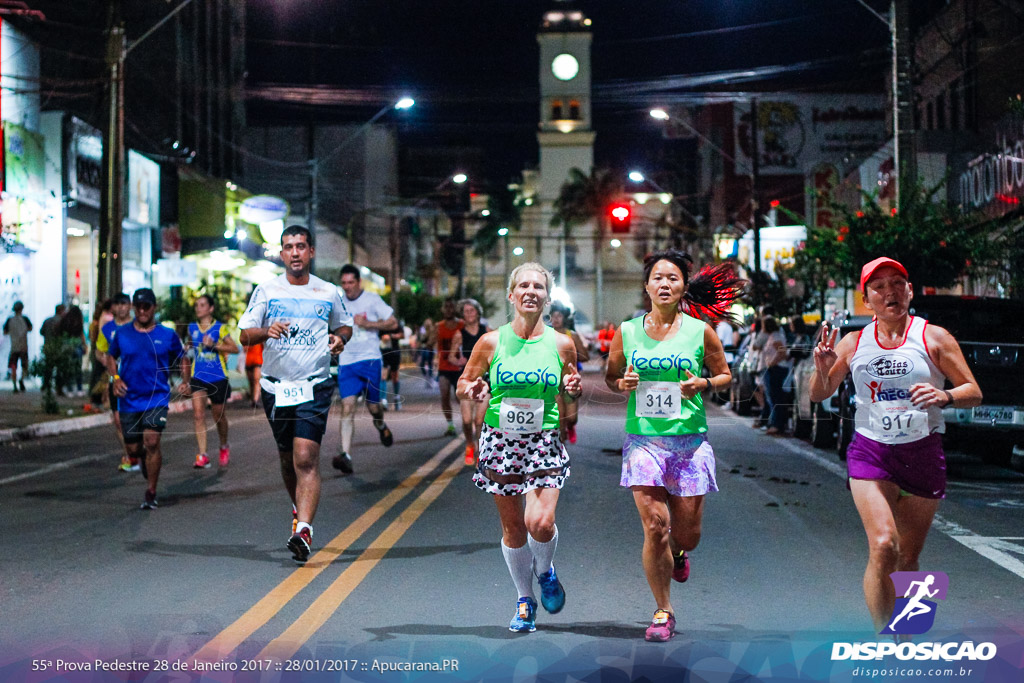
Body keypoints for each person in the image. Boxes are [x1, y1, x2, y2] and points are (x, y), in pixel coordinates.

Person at [809, 257, 981, 635]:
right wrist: (821, 368)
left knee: (908, 557)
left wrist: (944, 395)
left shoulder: (934, 337)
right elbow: (819, 394)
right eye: (879, 286)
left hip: (922, 450)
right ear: (867, 299)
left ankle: (909, 637)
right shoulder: (853, 341)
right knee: (884, 544)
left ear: (910, 291)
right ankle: (883, 637)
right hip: (871, 451)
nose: (889, 292)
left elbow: (974, 391)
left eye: (896, 284)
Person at [605, 250, 742, 642]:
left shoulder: (700, 331)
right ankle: (663, 610)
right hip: (643, 440)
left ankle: (680, 554)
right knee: (655, 527)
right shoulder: (627, 331)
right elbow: (614, 377)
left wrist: (703, 384)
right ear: (647, 285)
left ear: (684, 286)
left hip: (689, 442)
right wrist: (623, 385)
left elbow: (724, 374)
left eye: (674, 278)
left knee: (687, 535)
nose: (665, 284)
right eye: (658, 278)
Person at [457, 263, 582, 634]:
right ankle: (525, 600)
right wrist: (474, 389)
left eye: (538, 286)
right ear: (511, 295)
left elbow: (570, 385)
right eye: (523, 285)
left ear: (547, 296)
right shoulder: (491, 341)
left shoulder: (562, 343)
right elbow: (466, 381)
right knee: (514, 528)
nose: (531, 291)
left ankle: (545, 570)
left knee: (539, 523)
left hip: (543, 439)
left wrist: (573, 392)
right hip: (500, 440)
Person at [239, 226, 351, 563]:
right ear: (282, 253)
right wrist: (265, 331)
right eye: (288, 247)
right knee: (287, 457)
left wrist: (340, 338)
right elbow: (244, 334)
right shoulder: (267, 290)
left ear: (311, 252)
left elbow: (344, 324)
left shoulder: (327, 291)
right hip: (276, 386)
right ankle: (297, 507)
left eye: (301, 246)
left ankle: (303, 529)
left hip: (314, 384)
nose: (295, 253)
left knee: (305, 457)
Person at [104, 288, 189, 509]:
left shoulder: (167, 335)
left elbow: (183, 359)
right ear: (134, 307)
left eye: (146, 307)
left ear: (154, 308)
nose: (142, 311)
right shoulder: (122, 334)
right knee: (133, 450)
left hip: (156, 398)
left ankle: (151, 491)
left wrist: (186, 381)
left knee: (152, 441)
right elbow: (110, 356)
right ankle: (141, 456)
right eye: (138, 306)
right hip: (129, 399)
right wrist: (115, 378)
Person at [331, 264, 396, 475]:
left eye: (351, 282)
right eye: (344, 283)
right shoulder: (337, 301)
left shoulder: (372, 300)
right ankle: (346, 455)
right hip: (347, 361)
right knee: (347, 407)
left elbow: (392, 322)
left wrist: (369, 324)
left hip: (370, 361)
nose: (347, 287)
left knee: (373, 408)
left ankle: (381, 426)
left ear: (358, 282)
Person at [185, 294, 239, 469]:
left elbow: (234, 348)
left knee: (219, 416)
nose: (198, 308)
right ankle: (203, 455)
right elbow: (191, 349)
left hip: (218, 376)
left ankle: (224, 445)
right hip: (198, 375)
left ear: (211, 308)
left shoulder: (219, 328)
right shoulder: (192, 327)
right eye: (196, 305)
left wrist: (214, 346)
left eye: (202, 305)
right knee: (198, 415)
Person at [95, 293, 135, 471]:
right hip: (116, 380)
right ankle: (129, 455)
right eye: (117, 304)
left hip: (137, 379)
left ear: (130, 305)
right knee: (118, 420)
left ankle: (139, 450)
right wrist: (105, 360)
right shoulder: (107, 329)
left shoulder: (139, 326)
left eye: (124, 304)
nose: (120, 307)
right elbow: (99, 350)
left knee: (137, 418)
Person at [450, 298, 489, 465]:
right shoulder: (459, 334)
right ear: (462, 316)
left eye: (471, 310)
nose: (469, 314)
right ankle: (469, 444)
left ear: (478, 312)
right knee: (467, 421)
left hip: (485, 381)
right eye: (465, 312)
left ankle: (481, 450)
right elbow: (451, 355)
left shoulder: (487, 331)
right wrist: (457, 361)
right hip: (467, 381)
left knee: (479, 421)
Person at [548, 302, 589, 444]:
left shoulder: (572, 335)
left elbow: (585, 356)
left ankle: (571, 427)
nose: (556, 319)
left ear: (564, 318)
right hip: (552, 380)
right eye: (553, 316)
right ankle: (560, 451)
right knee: (560, 418)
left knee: (571, 418)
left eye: (559, 316)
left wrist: (571, 354)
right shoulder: (545, 336)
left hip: (570, 380)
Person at [436, 297, 464, 436]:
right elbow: (432, 342)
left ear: (455, 309)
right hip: (444, 367)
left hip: (459, 367)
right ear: (442, 309)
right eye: (446, 307)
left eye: (451, 307)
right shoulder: (439, 327)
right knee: (444, 395)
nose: (448, 310)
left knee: (460, 398)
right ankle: (450, 425)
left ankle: (467, 423)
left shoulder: (462, 325)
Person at [759, 316, 790, 435]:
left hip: (777, 369)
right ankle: (774, 422)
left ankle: (777, 424)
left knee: (775, 396)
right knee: (772, 396)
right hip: (774, 368)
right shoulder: (773, 336)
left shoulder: (776, 336)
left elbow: (782, 353)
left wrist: (772, 363)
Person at [4, 301, 32, 393]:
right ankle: (22, 379)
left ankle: (14, 385)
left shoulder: (10, 320)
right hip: (23, 346)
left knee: (13, 366)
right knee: (25, 365)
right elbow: (30, 328)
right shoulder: (25, 319)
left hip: (14, 346)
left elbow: (5, 332)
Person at [379, 320, 404, 411]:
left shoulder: (395, 323)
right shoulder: (380, 324)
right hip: (384, 352)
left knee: (395, 376)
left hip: (395, 352)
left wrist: (391, 336)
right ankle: (383, 400)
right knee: (383, 376)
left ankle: (396, 398)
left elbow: (402, 335)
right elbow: (380, 337)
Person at [417, 317, 436, 384]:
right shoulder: (423, 329)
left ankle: (430, 377)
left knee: (430, 362)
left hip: (430, 348)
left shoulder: (433, 329)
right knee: (422, 363)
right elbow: (421, 339)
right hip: (424, 348)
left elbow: (433, 339)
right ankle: (426, 376)